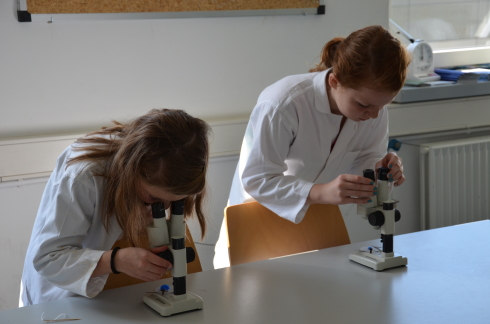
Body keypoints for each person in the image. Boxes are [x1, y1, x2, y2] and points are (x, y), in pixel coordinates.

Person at [214, 25, 410, 269]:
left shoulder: (372, 107)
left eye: (382, 106)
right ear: (334, 81)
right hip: (253, 227)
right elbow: (256, 179)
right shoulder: (283, 104)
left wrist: (380, 168)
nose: (373, 115)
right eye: (364, 105)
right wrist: (319, 192)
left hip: (317, 227)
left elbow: (367, 157)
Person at [20, 108, 211, 306]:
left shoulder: (170, 160)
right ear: (133, 169)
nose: (162, 207)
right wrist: (115, 260)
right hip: (60, 299)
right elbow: (48, 259)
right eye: (154, 197)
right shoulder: (83, 176)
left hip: (109, 297)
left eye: (174, 201)